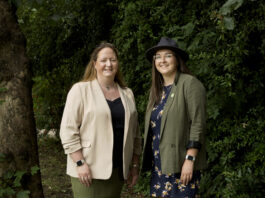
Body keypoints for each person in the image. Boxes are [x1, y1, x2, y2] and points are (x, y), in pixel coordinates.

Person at [60, 42, 142, 198]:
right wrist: (80, 163)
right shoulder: (80, 90)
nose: (109, 64)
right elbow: (67, 131)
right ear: (94, 64)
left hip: (117, 171)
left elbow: (135, 134)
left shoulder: (128, 93)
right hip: (87, 171)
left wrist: (135, 165)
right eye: (104, 60)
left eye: (113, 60)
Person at [141, 37, 207, 197]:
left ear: (177, 60)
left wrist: (190, 160)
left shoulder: (190, 84)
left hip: (181, 165)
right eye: (158, 57)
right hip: (159, 165)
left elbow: (198, 123)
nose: (162, 60)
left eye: (168, 55)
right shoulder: (156, 90)